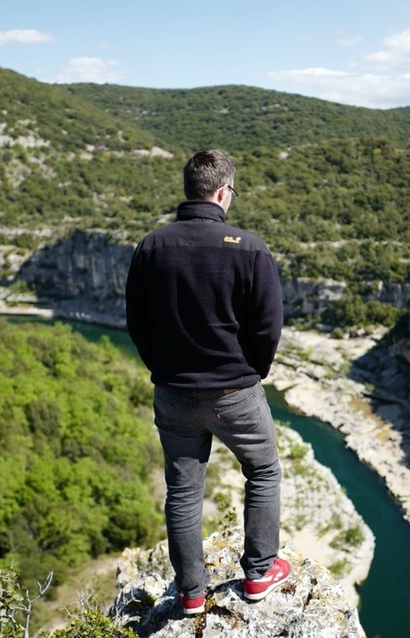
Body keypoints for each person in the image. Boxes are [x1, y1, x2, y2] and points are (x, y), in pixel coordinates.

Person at [124, 149, 290, 615]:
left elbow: (137, 322)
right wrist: (252, 372)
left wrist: (163, 367)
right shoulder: (250, 247)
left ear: (189, 190)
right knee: (262, 472)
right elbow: (268, 327)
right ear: (222, 192)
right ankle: (259, 575)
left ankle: (192, 592)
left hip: (174, 392)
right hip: (234, 391)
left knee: (182, 492)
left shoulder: (151, 246)